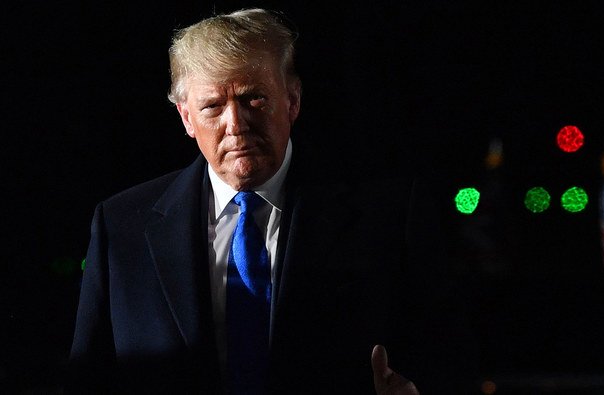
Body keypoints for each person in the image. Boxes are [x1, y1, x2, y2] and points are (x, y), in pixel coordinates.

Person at [69, 8, 476, 394]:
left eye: (253, 98)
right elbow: (90, 377)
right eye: (212, 106)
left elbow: (448, 355)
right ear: (186, 118)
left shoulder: (387, 214)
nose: (235, 123)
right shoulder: (122, 225)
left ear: (292, 100)